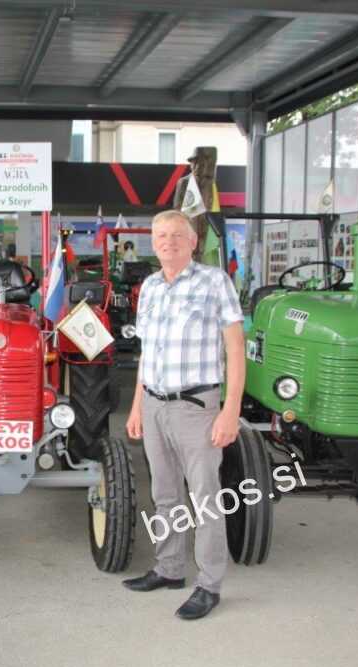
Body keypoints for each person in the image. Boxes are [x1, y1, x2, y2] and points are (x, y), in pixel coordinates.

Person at [122, 209, 245, 621]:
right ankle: (170, 568)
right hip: (154, 404)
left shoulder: (214, 281)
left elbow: (235, 349)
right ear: (153, 243)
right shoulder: (150, 287)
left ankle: (209, 585)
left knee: (205, 498)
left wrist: (230, 410)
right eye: (161, 235)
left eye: (177, 235)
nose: (168, 241)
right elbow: (147, 354)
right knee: (165, 493)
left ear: (193, 242)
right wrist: (138, 406)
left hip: (196, 408)